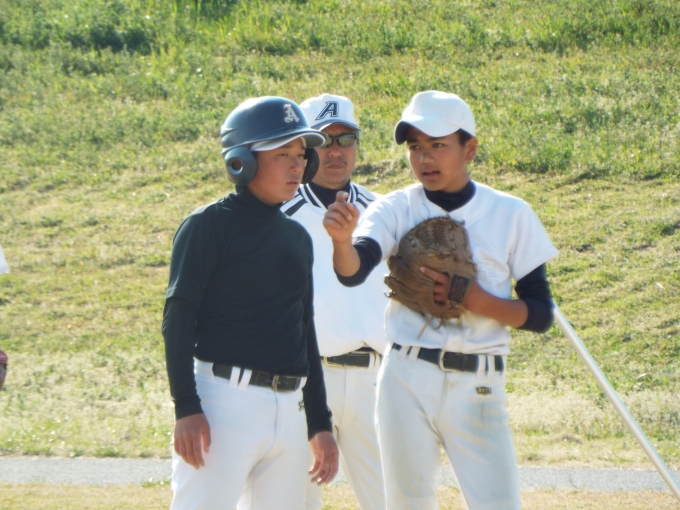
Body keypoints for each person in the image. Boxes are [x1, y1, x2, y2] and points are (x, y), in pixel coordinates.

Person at [323, 90, 558, 509]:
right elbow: (354, 269)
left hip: (479, 383)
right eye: (415, 146)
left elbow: (540, 315)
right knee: (407, 503)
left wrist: (474, 298)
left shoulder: (510, 213)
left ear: (470, 149)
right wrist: (342, 242)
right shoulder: (395, 208)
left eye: (437, 145)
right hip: (405, 378)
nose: (424, 158)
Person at [163, 96, 339, 510]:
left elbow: (304, 330)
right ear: (241, 161)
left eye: (301, 154)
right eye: (282, 154)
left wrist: (319, 422)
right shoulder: (207, 226)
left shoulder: (297, 237)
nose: (297, 166)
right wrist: (186, 406)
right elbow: (178, 319)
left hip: (289, 407)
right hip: (223, 402)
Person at [282, 94, 387, 510]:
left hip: (373, 380)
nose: (336, 151)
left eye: (346, 139)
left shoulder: (385, 213)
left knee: (397, 500)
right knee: (294, 502)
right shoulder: (279, 215)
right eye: (324, 141)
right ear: (305, 147)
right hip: (305, 381)